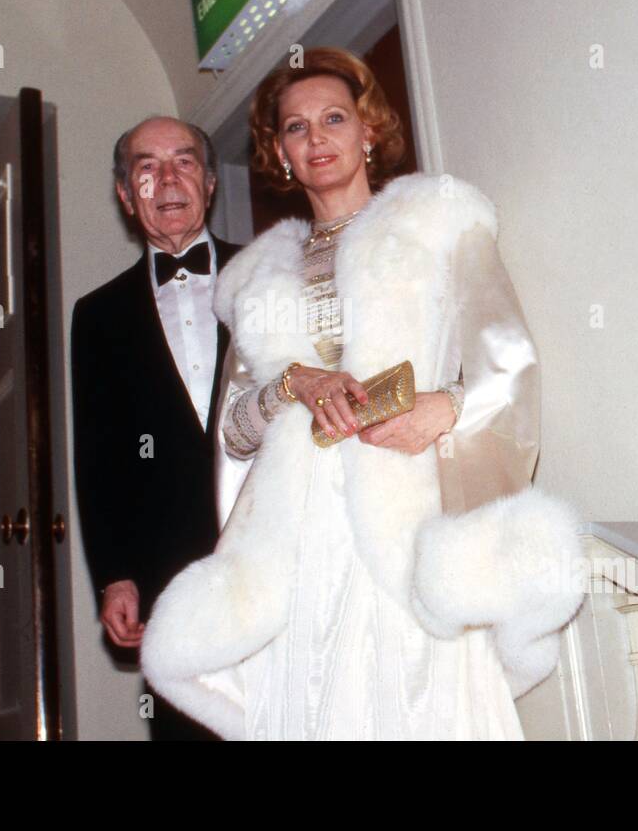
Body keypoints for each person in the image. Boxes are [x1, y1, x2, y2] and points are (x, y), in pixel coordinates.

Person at [142, 48, 586, 740]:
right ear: (279, 153)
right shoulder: (256, 278)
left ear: (369, 131)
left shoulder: (437, 225)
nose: (316, 138)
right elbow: (232, 433)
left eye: (334, 118)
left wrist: (443, 409)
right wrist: (292, 382)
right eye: (295, 127)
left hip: (407, 505)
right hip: (301, 535)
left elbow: (508, 357)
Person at [71, 116, 240, 741]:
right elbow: (98, 457)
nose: (167, 179)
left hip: (279, 558)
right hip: (169, 583)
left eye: (184, 161)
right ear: (125, 193)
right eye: (147, 166)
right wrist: (115, 573)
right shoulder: (97, 316)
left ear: (211, 181)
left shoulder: (272, 274)